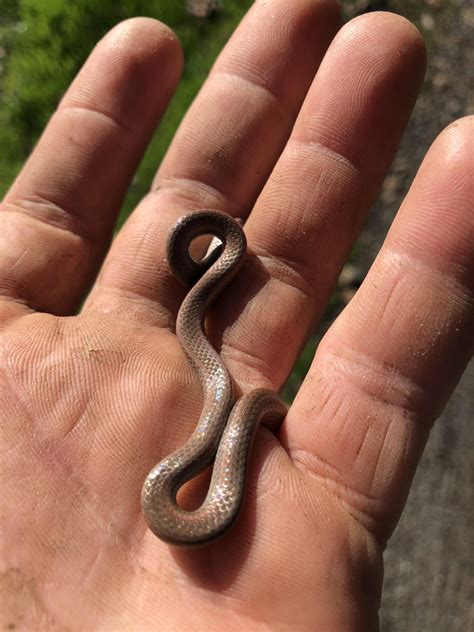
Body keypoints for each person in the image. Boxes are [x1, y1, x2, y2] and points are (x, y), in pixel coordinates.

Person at [0, 2, 472, 630]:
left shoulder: (207, 300)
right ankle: (257, 413)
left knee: (243, 398)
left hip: (217, 298)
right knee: (244, 399)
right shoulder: (205, 321)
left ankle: (256, 412)